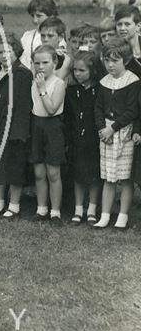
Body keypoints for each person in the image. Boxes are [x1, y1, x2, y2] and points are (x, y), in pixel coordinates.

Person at [94, 40, 140, 229]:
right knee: (108, 176)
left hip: (124, 132)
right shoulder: (104, 81)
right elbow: (97, 107)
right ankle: (105, 215)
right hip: (106, 132)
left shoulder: (132, 81)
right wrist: (102, 129)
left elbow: (132, 111)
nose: (110, 65)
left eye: (115, 60)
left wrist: (113, 128)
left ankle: (123, 216)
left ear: (125, 59)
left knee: (125, 177)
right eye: (107, 60)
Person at [0, 32, 33, 218]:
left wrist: (18, 130)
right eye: (0, 52)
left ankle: (14, 204)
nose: (4, 56)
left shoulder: (22, 73)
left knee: (15, 164)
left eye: (8, 51)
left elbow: (23, 105)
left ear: (16, 51)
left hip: (14, 126)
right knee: (0, 162)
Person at [30, 44, 66, 224]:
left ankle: (55, 211)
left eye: (45, 62)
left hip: (53, 127)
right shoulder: (34, 81)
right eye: (37, 63)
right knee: (39, 171)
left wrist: (42, 88)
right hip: (37, 125)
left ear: (55, 63)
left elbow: (51, 109)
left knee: (53, 172)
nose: (41, 66)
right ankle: (41, 209)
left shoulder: (58, 83)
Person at [64, 51, 101, 225]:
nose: (77, 74)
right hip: (76, 139)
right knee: (78, 174)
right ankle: (78, 210)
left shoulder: (99, 90)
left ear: (92, 71)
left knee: (94, 175)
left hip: (95, 139)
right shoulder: (71, 91)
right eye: (75, 70)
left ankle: (92, 209)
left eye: (81, 70)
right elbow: (68, 116)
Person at [19, 0, 65, 71]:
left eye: (39, 16)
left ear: (51, 15)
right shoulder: (27, 36)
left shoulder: (56, 37)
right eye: (32, 16)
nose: (35, 20)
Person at [38, 17, 72, 81]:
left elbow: (57, 80)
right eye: (42, 36)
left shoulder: (64, 58)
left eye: (50, 36)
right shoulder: (37, 55)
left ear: (60, 37)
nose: (45, 39)